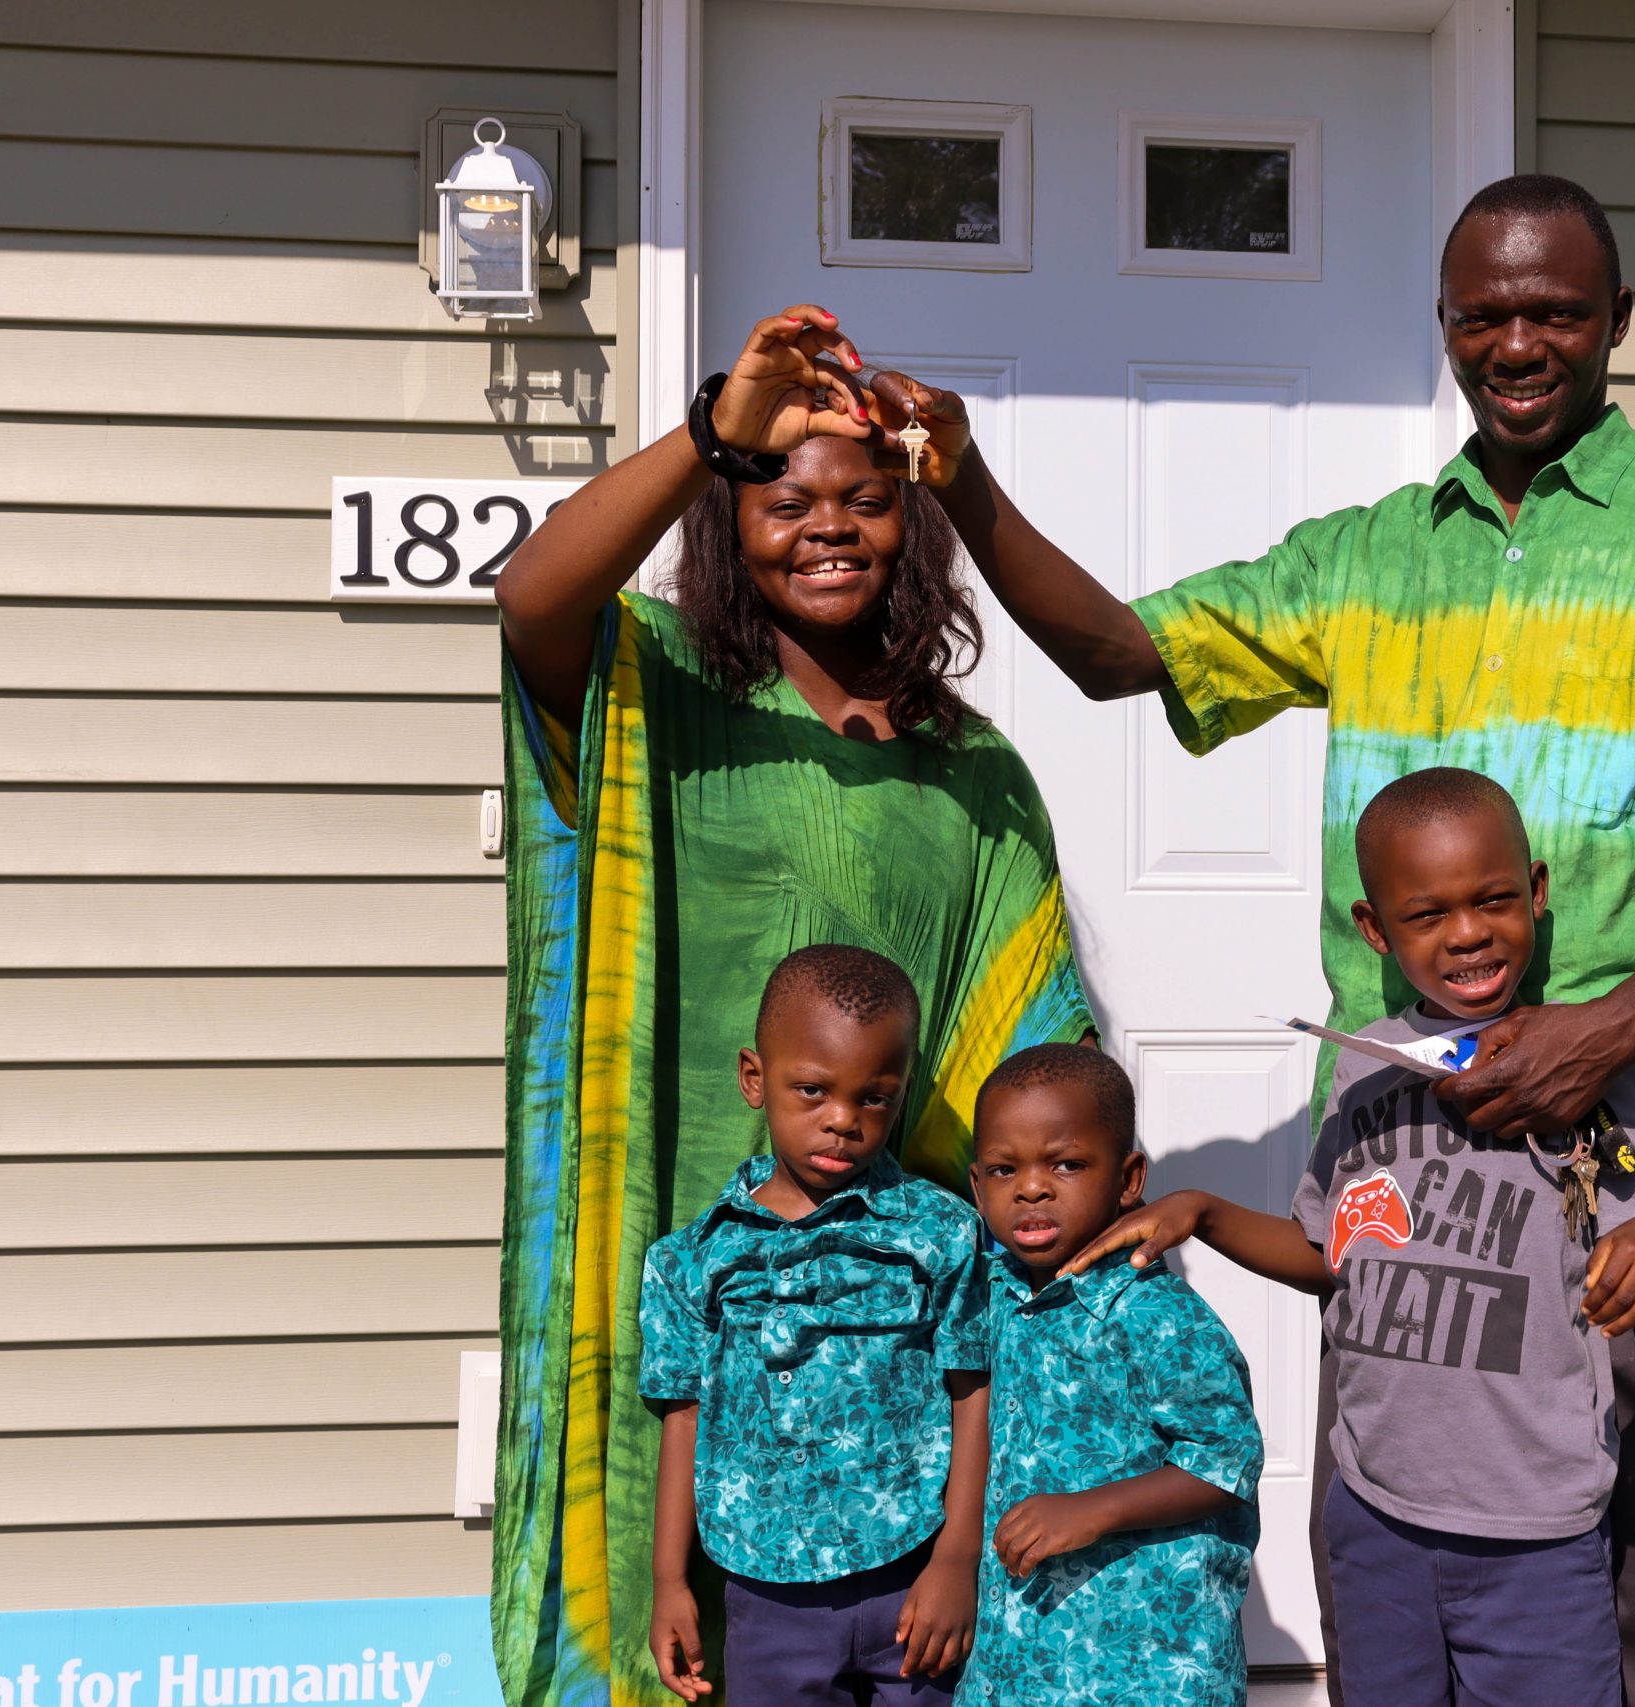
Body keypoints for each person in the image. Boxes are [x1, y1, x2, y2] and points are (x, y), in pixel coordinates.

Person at [865, 174, 1635, 1706]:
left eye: (1553, 310)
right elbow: (1119, 650)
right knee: (1391, 1538)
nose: (1517, 340)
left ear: (1616, 322)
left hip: (1614, 1131)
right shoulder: (1371, 553)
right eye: (1485, 313)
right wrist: (963, 478)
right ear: (1447, 327)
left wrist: (1616, 1020)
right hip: (1402, 1137)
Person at [490, 306, 1093, 1707]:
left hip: (893, 1323)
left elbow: (1035, 1054)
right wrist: (713, 431)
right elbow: (530, 597)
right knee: (684, 1633)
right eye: (784, 493)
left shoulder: (973, 766)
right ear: (727, 517)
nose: (828, 525)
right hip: (693, 1271)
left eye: (868, 499)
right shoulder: (656, 690)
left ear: (913, 521)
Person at [1066, 768, 1635, 1705]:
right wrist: (1200, 1209)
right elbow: (1326, 1258)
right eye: (1428, 914)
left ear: (1538, 892)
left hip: (1537, 1527)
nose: (1468, 932)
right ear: (1375, 929)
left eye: (1493, 900)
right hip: (1376, 1517)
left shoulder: (1582, 1067)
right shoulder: (1365, 1079)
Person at [641, 945, 991, 1705]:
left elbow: (973, 1389)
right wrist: (670, 1579)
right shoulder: (690, 1261)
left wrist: (959, 1556)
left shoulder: (943, 1234)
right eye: (813, 1089)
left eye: (875, 1097)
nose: (843, 1119)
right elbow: (682, 1416)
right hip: (769, 1601)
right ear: (754, 1078)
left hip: (916, 1581)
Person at [961, 1044, 1262, 1707]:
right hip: (1021, 1662)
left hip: (1146, 1669)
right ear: (978, 1187)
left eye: (1066, 1163)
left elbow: (1228, 1457)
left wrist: (1096, 1508)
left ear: (1128, 1179)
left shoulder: (1155, 1313)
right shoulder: (992, 1297)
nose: (1032, 1187)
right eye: (1006, 1169)